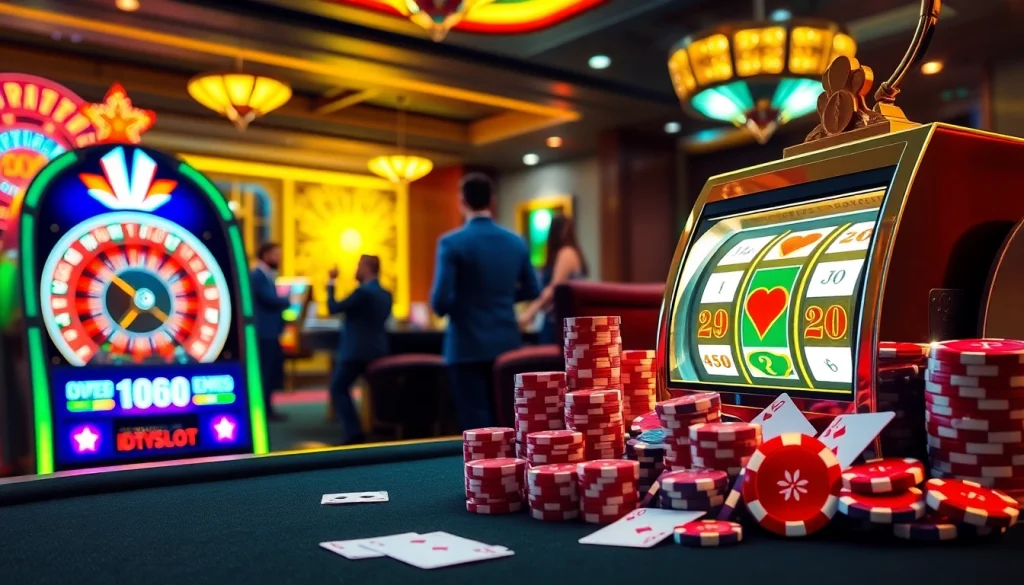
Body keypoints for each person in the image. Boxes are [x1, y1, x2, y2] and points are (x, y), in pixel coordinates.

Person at [430, 173, 541, 430]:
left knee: (475, 423)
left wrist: (467, 300)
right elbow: (533, 289)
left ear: (462, 201)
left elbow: (439, 302)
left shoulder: (451, 243)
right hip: (506, 342)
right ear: (492, 200)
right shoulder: (516, 241)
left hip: (465, 345)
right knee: (506, 418)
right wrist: (499, 297)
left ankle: (481, 470)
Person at [326, 254, 393, 445]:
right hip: (379, 351)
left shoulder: (362, 293)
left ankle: (353, 432)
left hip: (355, 352)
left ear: (367, 268)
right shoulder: (387, 294)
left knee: (338, 387)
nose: (356, 270)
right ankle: (379, 427)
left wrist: (331, 281)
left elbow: (333, 307)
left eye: (359, 266)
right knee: (375, 391)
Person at [518, 215, 588, 344]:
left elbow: (554, 288)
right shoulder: (572, 252)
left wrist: (530, 312)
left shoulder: (566, 253)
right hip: (563, 319)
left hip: (558, 321)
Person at [250, 242, 291, 421]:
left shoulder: (267, 275)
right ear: (265, 254)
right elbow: (270, 299)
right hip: (264, 333)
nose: (279, 258)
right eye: (276, 254)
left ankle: (268, 408)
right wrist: (288, 300)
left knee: (271, 372)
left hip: (271, 332)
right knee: (265, 372)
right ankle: (264, 410)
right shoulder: (257, 275)